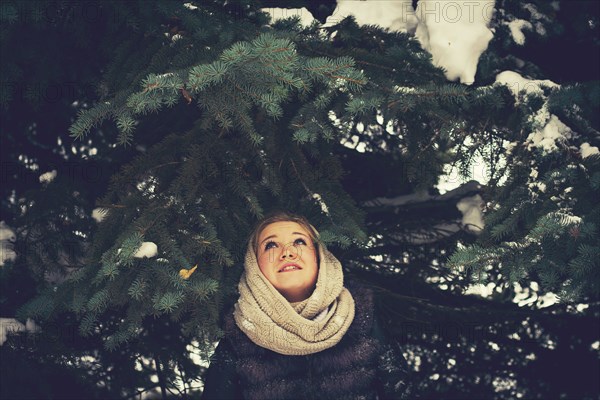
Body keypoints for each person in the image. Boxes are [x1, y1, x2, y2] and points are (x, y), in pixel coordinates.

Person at [201, 211, 412, 399]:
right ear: (254, 265)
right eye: (271, 245)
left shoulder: (361, 317)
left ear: (319, 256)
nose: (287, 252)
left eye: (299, 242)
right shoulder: (239, 335)